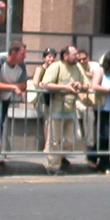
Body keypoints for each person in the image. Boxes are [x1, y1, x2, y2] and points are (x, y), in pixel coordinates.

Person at [39, 45, 91, 174]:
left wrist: (81, 85)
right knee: (54, 141)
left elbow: (87, 84)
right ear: (65, 56)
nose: (77, 57)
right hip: (56, 108)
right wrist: (65, 87)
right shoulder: (56, 67)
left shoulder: (78, 67)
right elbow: (45, 84)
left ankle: (61, 158)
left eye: (77, 54)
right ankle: (53, 167)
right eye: (74, 54)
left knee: (73, 139)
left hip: (70, 109)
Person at [0, 40, 28, 161]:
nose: (25, 56)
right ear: (14, 53)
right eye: (22, 53)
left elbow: (24, 84)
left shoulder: (21, 65)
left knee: (1, 120)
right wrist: (13, 87)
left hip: (5, 94)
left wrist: (11, 87)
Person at [29, 47, 58, 151]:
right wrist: (45, 85)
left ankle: (50, 145)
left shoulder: (55, 69)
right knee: (48, 122)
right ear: (44, 58)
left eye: (53, 57)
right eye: (49, 56)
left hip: (52, 99)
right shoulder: (40, 69)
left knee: (52, 123)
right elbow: (36, 83)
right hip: (42, 100)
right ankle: (47, 146)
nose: (51, 59)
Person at [76, 48, 101, 159]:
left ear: (88, 58)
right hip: (76, 99)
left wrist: (87, 74)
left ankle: (90, 146)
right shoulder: (75, 68)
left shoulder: (95, 66)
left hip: (93, 100)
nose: (82, 62)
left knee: (89, 115)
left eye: (84, 59)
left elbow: (99, 79)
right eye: (79, 60)